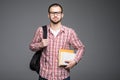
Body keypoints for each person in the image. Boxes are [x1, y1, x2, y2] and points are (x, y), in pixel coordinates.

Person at [29, 3, 85, 80]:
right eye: (52, 13)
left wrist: (75, 61)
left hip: (63, 76)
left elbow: (80, 47)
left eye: (58, 13)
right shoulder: (41, 30)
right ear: (48, 15)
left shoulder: (69, 32)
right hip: (44, 76)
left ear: (62, 15)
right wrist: (40, 45)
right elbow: (31, 46)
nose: (55, 15)